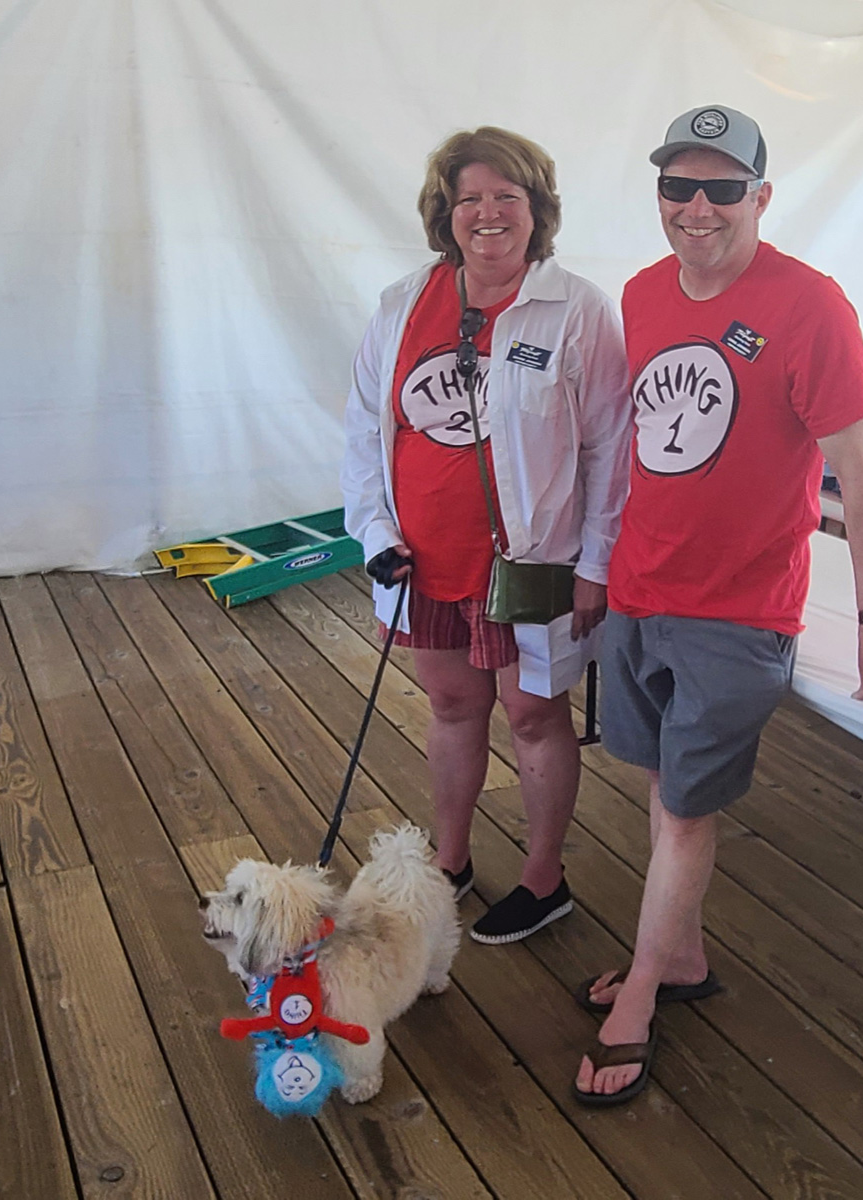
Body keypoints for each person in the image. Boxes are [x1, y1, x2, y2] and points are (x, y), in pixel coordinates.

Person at [572, 104, 863, 1106]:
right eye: (677, 187)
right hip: (642, 589)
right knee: (662, 785)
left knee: (687, 811)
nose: (696, 208)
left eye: (722, 189)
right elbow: (642, 441)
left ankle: (643, 990)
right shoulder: (643, 294)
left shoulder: (810, 305)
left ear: (761, 197)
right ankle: (682, 956)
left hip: (737, 615)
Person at [343, 126, 632, 945]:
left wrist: (598, 562)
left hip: (534, 562)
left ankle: (544, 878)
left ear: (538, 210)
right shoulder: (402, 304)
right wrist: (372, 530)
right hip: (423, 559)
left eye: (508, 195)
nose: (488, 212)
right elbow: (364, 428)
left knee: (534, 716)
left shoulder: (577, 308)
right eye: (468, 197)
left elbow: (611, 446)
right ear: (445, 213)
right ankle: (452, 860)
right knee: (451, 704)